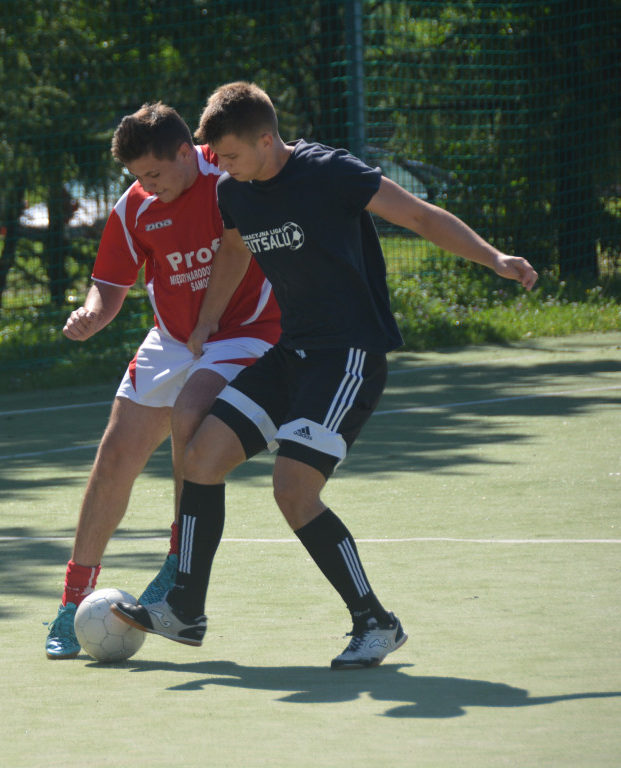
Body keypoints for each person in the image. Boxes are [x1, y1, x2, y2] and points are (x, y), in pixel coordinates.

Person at [112, 81, 538, 669]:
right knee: (201, 456)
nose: (222, 167)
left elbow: (418, 215)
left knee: (292, 488)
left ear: (267, 139)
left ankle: (375, 623)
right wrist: (208, 321)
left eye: (230, 155)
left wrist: (494, 258)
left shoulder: (331, 173)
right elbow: (235, 252)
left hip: (349, 356)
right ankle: (185, 608)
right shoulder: (237, 191)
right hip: (294, 353)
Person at [44, 102, 282, 659]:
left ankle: (179, 565)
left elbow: (243, 246)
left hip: (244, 332)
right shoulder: (136, 207)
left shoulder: (229, 174)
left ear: (185, 153)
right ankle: (70, 601)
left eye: (154, 174)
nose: (146, 187)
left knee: (189, 418)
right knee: (113, 456)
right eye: (137, 179)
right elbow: (109, 285)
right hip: (174, 339)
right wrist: (91, 315)